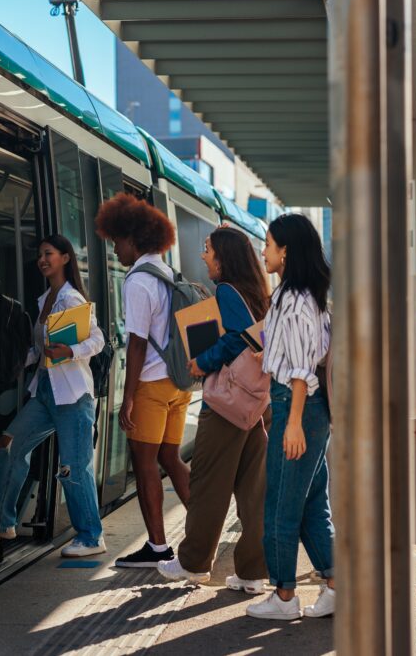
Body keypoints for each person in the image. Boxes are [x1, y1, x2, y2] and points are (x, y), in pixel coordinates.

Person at [156, 226, 271, 592]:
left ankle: (192, 563)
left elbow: (237, 336)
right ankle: (254, 571)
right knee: (253, 489)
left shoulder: (225, 291)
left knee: (207, 482)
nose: (204, 255)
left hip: (227, 404)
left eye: (207, 249)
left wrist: (203, 361)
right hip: (257, 402)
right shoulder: (257, 293)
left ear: (223, 256)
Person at [0, 234, 107, 557]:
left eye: (49, 254)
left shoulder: (71, 299)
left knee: (74, 465)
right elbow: (39, 350)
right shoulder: (45, 299)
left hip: (72, 396)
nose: (43, 259)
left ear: (65, 258)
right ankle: (5, 521)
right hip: (44, 391)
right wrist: (17, 360)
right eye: (40, 254)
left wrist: (71, 350)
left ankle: (91, 536)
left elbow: (96, 340)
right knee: (9, 443)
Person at [94, 192, 191, 568]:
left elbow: (136, 343)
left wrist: (128, 397)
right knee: (171, 456)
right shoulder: (166, 272)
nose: (115, 249)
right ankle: (204, 529)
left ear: (133, 239)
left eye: (117, 241)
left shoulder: (137, 281)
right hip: (178, 383)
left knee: (145, 461)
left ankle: (157, 547)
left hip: (151, 384)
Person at [246, 213, 336, 621]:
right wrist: (272, 357)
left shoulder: (297, 300)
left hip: (299, 408)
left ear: (286, 250)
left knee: (281, 505)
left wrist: (294, 421)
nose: (263, 251)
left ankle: (284, 597)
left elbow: (302, 371)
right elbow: (297, 356)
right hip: (302, 407)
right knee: (313, 504)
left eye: (267, 244)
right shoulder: (292, 296)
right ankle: (338, 587)